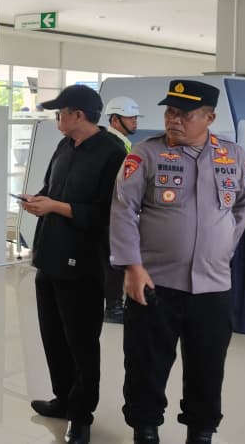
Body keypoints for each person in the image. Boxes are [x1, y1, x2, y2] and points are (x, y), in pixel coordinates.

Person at [110, 80, 245, 444]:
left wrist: (223, 249)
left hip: (213, 286)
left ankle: (201, 432)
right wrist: (132, 266)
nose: (173, 120)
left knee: (208, 366)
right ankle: (145, 430)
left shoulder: (234, 157)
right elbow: (123, 210)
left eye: (184, 114)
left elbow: (242, 206)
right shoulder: (145, 153)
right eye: (170, 112)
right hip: (154, 283)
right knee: (145, 364)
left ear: (210, 118)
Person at [23, 85, 127, 444]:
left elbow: (108, 213)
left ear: (78, 115)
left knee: (81, 341)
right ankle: (63, 398)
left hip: (83, 263)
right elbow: (51, 187)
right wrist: (39, 201)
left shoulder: (112, 152)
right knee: (52, 335)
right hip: (49, 256)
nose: (57, 119)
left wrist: (56, 207)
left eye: (60, 112)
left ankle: (81, 415)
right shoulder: (65, 146)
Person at [101, 96, 141, 323]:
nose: (135, 121)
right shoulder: (114, 146)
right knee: (114, 260)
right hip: (112, 212)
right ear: (115, 119)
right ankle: (113, 308)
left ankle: (113, 304)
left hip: (113, 211)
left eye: (135, 117)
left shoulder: (118, 142)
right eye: (130, 117)